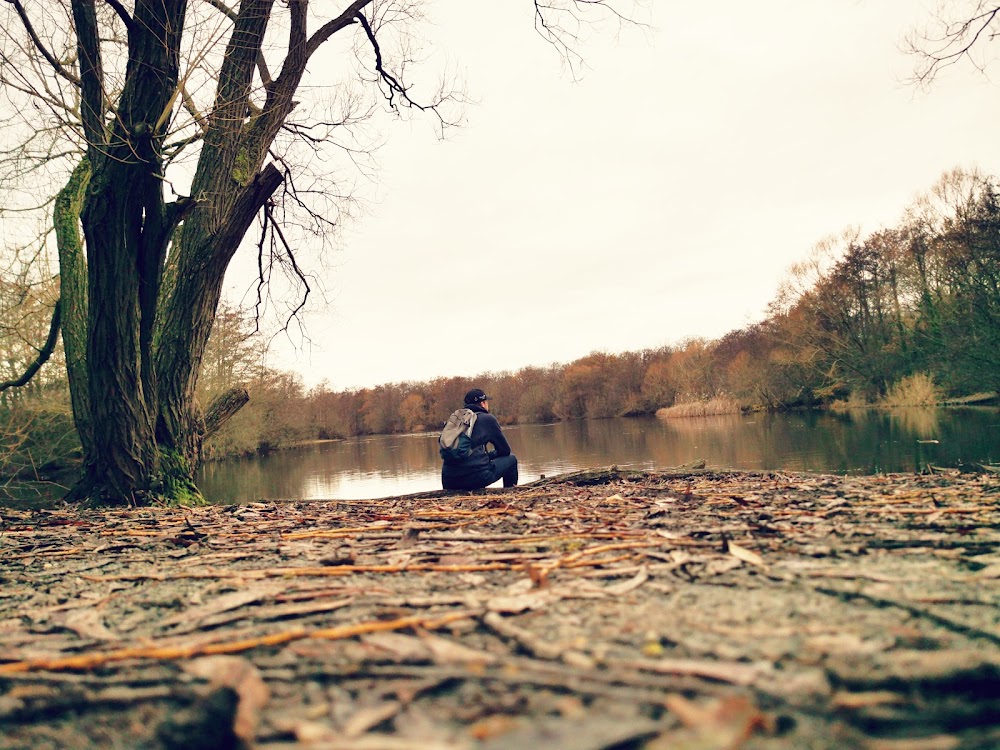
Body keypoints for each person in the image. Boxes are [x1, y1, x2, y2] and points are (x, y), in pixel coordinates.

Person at [441, 388, 518, 490]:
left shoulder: (456, 421)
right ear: (482, 403)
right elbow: (505, 451)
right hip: (475, 478)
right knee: (511, 460)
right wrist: (491, 455)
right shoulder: (488, 419)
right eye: (486, 402)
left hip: (448, 480)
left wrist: (486, 456)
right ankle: (509, 494)